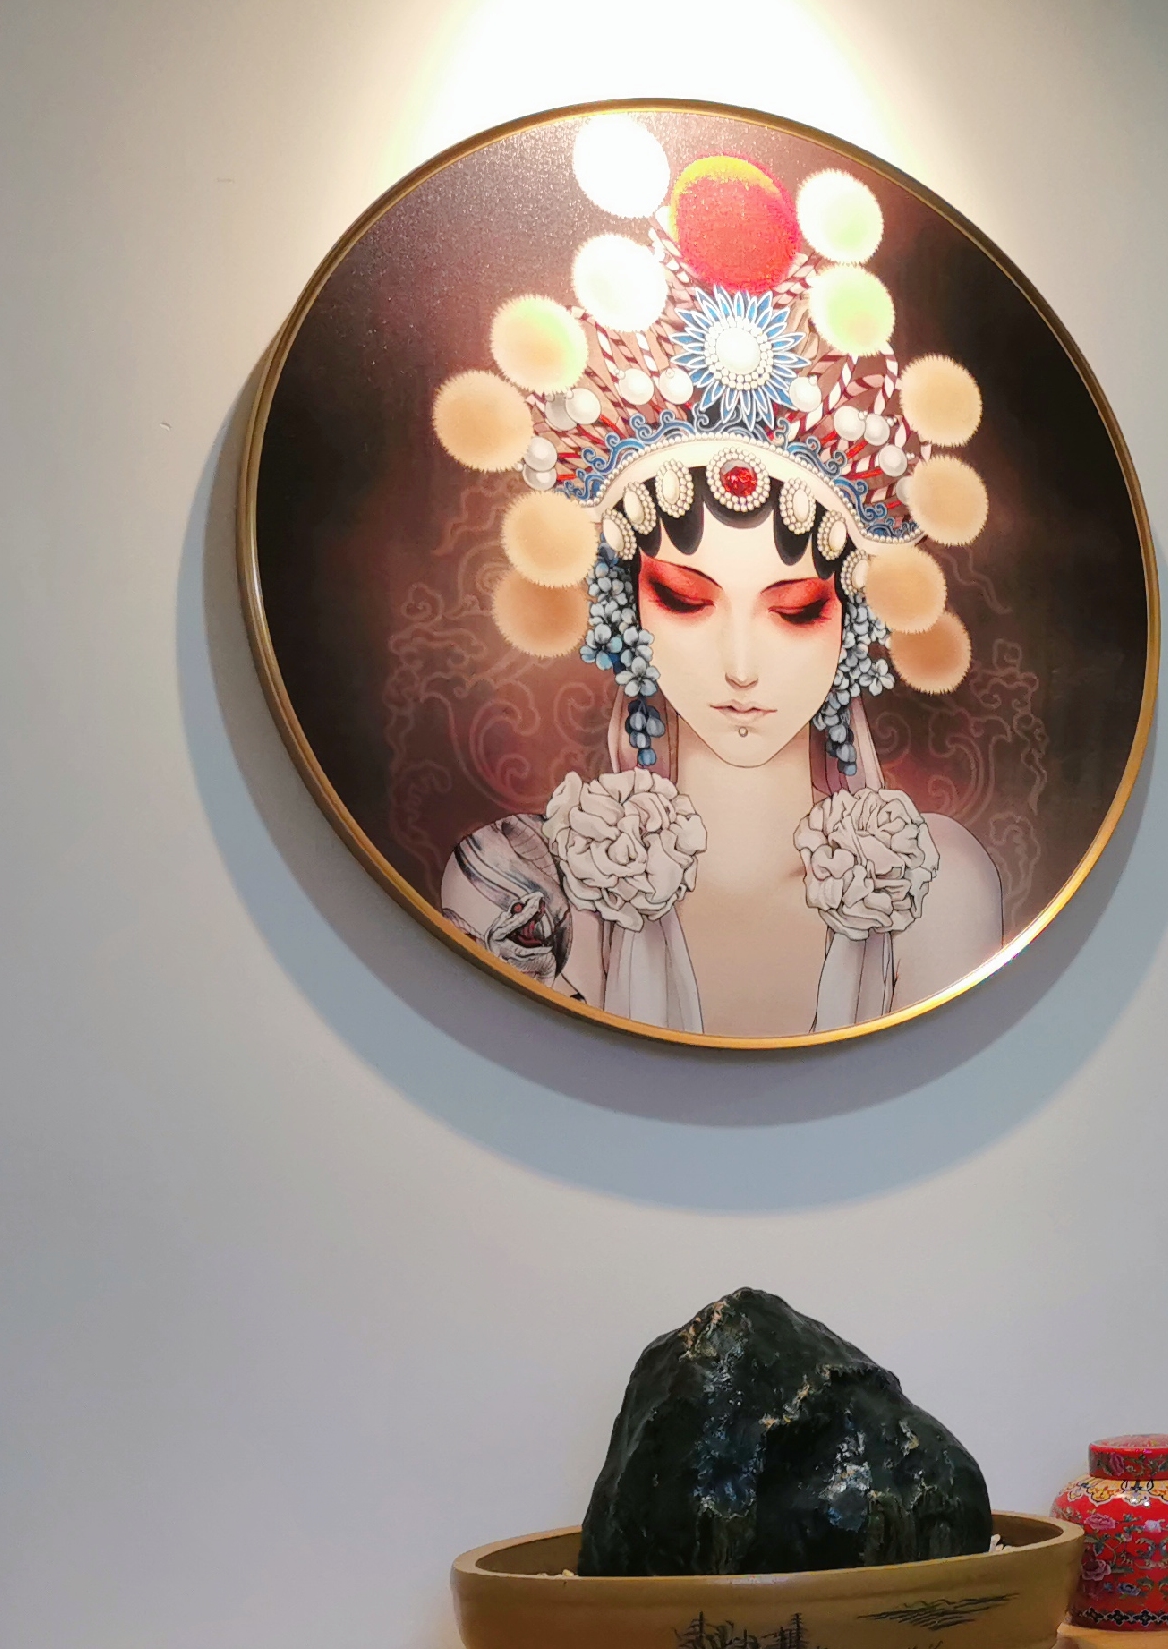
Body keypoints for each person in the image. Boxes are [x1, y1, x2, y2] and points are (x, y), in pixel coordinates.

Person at [428, 120, 1004, 1036]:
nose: (740, 665)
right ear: (625, 606)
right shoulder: (528, 891)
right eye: (687, 600)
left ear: (851, 627)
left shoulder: (935, 889)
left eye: (795, 610)